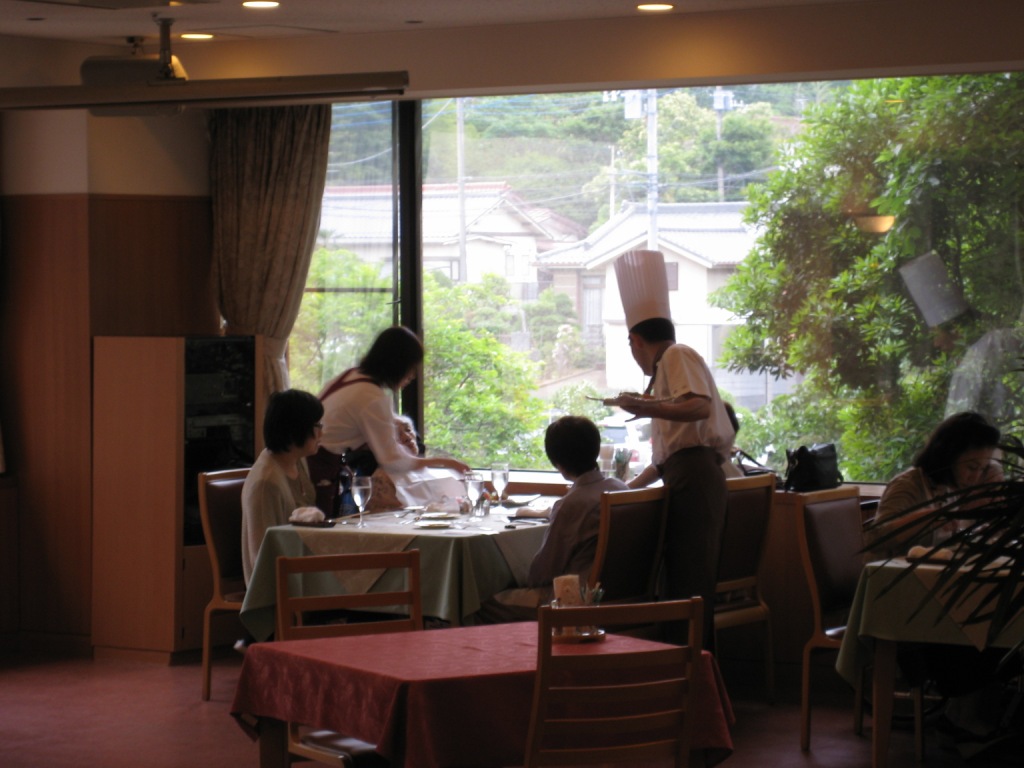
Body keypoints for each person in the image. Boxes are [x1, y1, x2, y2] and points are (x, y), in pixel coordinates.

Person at [612, 250, 735, 649]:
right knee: (680, 581)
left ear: (635, 340)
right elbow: (666, 455)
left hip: (696, 476)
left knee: (690, 585)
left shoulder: (677, 355)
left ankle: (696, 681)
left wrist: (643, 405)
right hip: (684, 474)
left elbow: (698, 405)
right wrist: (627, 488)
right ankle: (685, 675)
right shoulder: (665, 368)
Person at [471, 415, 628, 623]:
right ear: (595, 449)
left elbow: (543, 573)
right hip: (621, 595)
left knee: (477, 604)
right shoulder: (620, 488)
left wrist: (513, 576)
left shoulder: (572, 504)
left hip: (574, 599)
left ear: (557, 463)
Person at [309, 326, 468, 516]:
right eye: (411, 368)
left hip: (309, 461)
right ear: (399, 365)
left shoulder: (351, 376)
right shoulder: (371, 396)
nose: (412, 376)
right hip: (318, 466)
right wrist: (446, 462)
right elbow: (392, 460)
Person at [868, 411, 1002, 560]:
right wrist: (928, 517)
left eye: (982, 469)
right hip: (892, 578)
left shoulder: (953, 488)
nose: (976, 477)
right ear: (948, 456)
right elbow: (875, 539)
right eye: (971, 467)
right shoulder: (909, 485)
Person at [240, 389, 322, 585]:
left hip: (304, 569)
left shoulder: (297, 461)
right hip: (282, 586)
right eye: (317, 425)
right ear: (295, 430)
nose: (321, 432)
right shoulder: (265, 483)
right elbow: (261, 559)